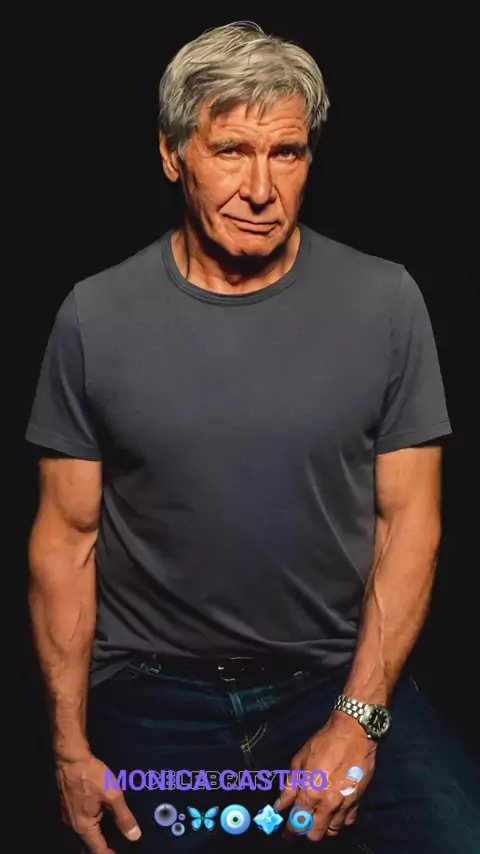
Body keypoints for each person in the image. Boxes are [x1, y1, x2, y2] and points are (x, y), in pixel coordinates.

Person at [25, 21, 479, 854]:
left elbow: (411, 522)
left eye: (287, 153)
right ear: (173, 155)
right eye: (231, 150)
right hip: (156, 696)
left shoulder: (385, 303)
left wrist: (357, 720)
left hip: (333, 677)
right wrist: (68, 744)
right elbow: (67, 540)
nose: (261, 188)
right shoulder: (95, 316)